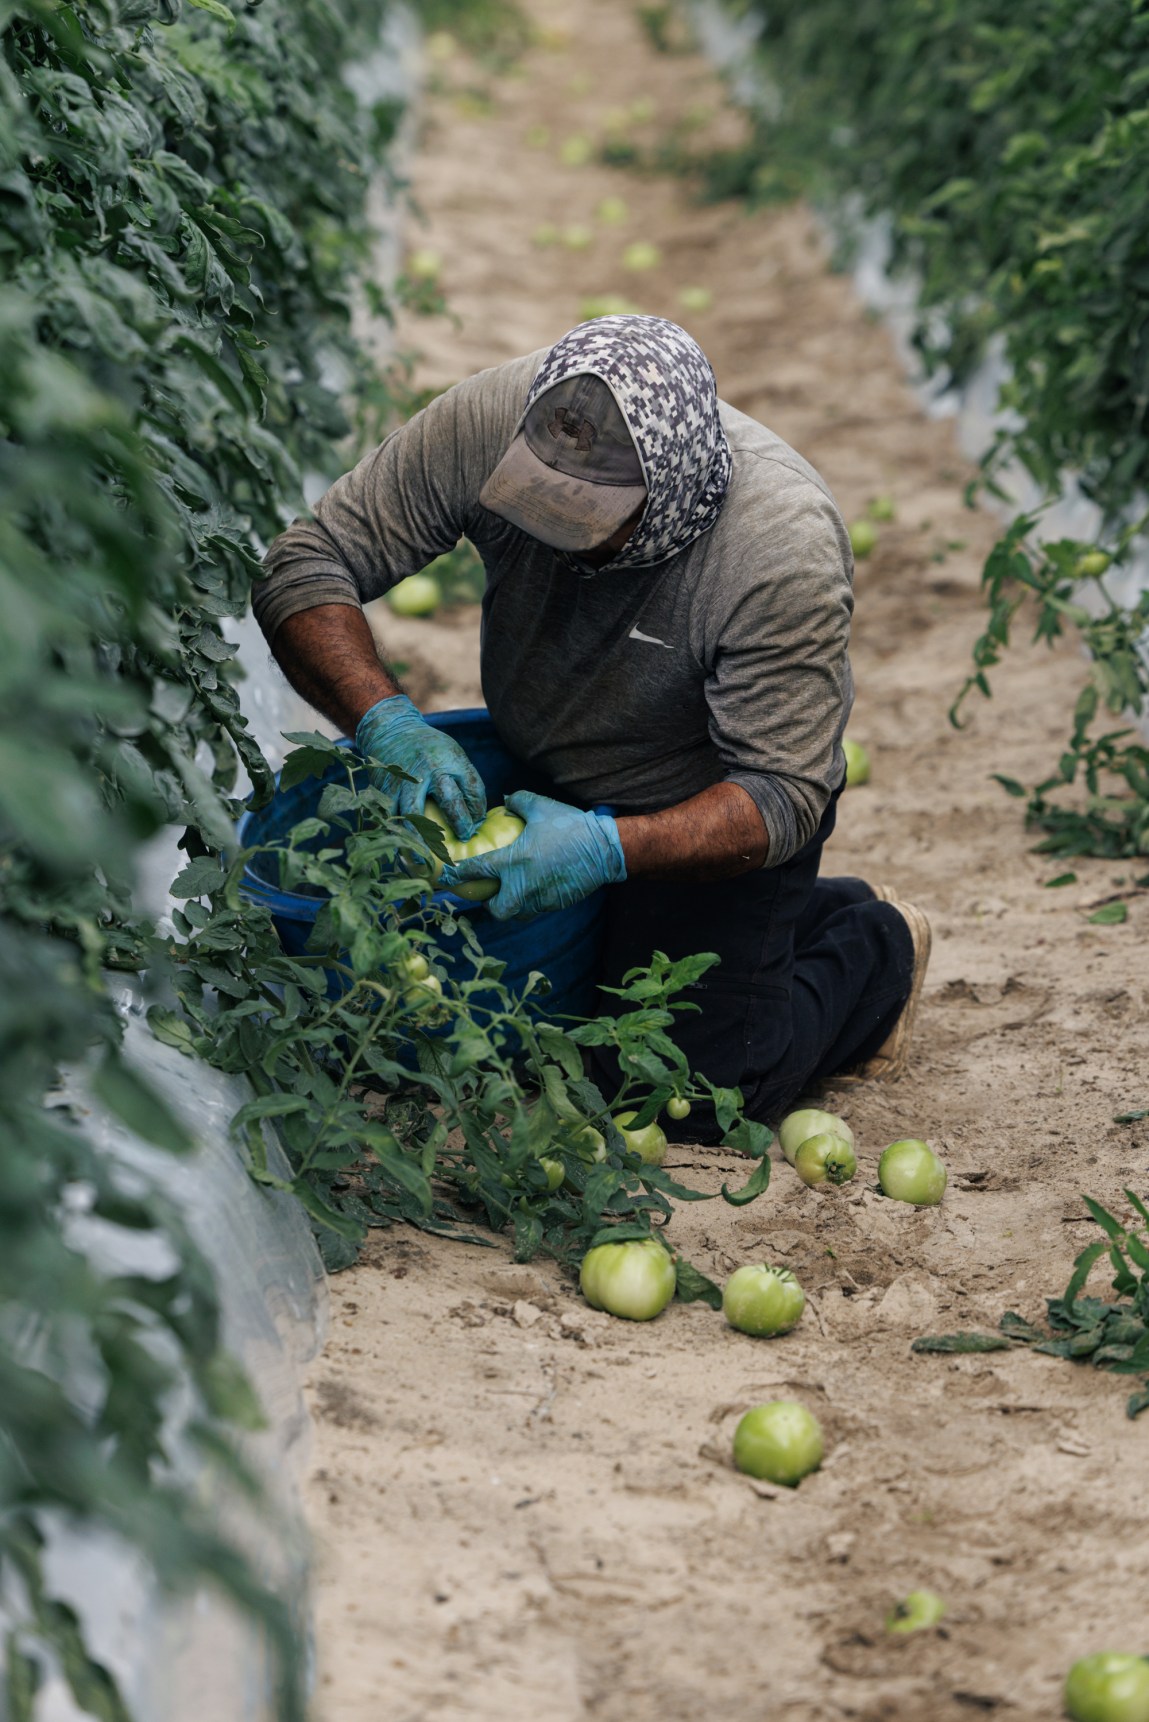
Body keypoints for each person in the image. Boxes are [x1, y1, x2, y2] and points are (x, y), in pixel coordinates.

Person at [254, 315, 929, 1140]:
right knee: (528, 1033)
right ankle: (710, 932)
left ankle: (872, 941)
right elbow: (306, 561)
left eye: (592, 531)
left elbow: (782, 793)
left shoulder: (777, 552)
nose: (558, 545)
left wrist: (608, 848)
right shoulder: (490, 420)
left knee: (683, 1090)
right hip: (541, 771)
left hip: (701, 812)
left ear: (672, 509)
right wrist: (386, 720)